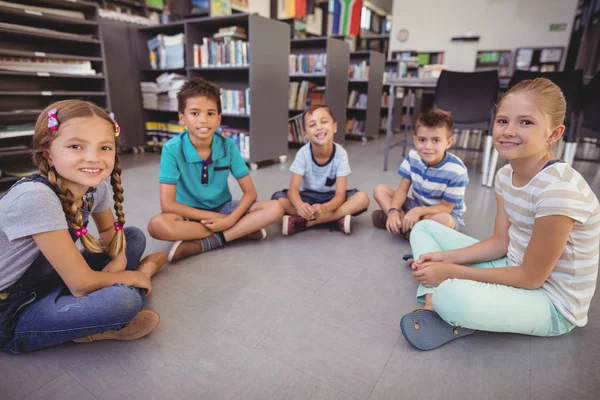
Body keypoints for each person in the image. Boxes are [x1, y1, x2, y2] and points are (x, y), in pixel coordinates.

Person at [399, 78, 600, 351]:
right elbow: (500, 242)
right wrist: (445, 258)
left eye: (526, 122)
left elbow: (531, 278)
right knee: (423, 229)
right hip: (510, 262)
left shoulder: (559, 189)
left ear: (554, 133)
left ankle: (437, 296)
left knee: (452, 295)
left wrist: (450, 272)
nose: (509, 131)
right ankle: (435, 292)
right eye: (503, 121)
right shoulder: (505, 175)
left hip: (551, 301)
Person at [0, 100, 167, 353]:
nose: (93, 158)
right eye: (76, 146)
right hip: (12, 307)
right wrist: (134, 276)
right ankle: (130, 291)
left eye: (105, 147)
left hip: (54, 277)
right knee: (123, 302)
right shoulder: (37, 197)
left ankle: (98, 303)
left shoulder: (94, 187)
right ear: (48, 154)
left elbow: (111, 233)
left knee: (132, 237)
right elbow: (80, 283)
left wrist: (119, 260)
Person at [147, 78, 284, 262]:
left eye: (210, 113)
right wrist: (223, 220)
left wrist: (230, 218)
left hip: (223, 209)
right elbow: (168, 205)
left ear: (219, 118)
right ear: (182, 118)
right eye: (195, 113)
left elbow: (250, 193)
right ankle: (240, 232)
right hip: (187, 214)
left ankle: (210, 241)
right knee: (157, 226)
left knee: (276, 207)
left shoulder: (227, 145)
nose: (203, 120)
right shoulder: (171, 149)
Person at [372, 108, 468, 244]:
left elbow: (446, 207)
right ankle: (402, 222)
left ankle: (401, 225)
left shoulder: (457, 170)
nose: (427, 147)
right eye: (422, 140)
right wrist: (393, 210)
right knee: (380, 190)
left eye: (436, 140)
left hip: (441, 212)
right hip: (416, 205)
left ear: (448, 142)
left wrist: (418, 211)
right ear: (415, 140)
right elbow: (401, 190)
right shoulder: (413, 157)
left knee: (444, 220)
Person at [271, 104, 370, 235]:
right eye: (312, 125)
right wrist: (300, 206)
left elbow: (340, 195)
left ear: (334, 127)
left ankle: (309, 221)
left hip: (331, 198)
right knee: (279, 200)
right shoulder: (303, 153)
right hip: (307, 196)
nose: (319, 127)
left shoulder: (341, 154)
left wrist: (325, 208)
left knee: (363, 198)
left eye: (324, 122)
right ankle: (335, 219)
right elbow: (293, 190)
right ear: (305, 133)